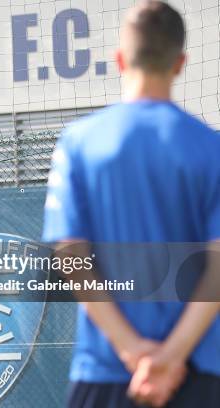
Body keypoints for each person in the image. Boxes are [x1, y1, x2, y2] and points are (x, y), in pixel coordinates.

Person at [43, 1, 220, 407]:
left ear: (120, 60)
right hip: (197, 372)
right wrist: (171, 356)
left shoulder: (79, 142)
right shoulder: (212, 149)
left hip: (105, 369)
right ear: (180, 63)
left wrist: (132, 351)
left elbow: (70, 254)